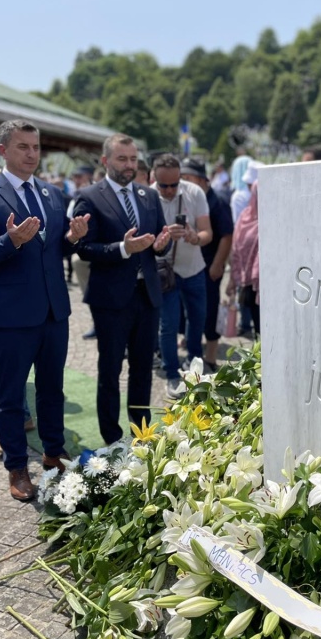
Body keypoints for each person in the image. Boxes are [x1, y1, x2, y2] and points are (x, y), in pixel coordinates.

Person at [0, 119, 90, 502]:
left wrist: (72, 238)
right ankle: (17, 467)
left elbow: (52, 250)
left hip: (54, 311)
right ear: (3, 150)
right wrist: (10, 240)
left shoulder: (51, 193)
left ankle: (54, 453)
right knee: (10, 396)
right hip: (12, 315)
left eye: (35, 147)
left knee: (52, 388)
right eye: (23, 147)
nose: (31, 154)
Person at [73, 133, 171, 445]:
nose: (129, 165)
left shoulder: (148, 195)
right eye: (122, 159)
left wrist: (158, 246)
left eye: (132, 159)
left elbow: (153, 241)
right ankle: (112, 439)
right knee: (110, 371)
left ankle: (141, 434)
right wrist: (123, 249)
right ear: (105, 161)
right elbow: (84, 249)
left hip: (147, 295)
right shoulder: (88, 196)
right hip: (111, 300)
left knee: (143, 370)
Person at [152, 154, 212, 398]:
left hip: (194, 268)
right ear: (153, 178)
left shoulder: (194, 192)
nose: (168, 190)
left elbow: (208, 232)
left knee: (198, 319)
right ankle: (172, 373)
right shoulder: (146, 195)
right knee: (168, 324)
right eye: (163, 185)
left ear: (180, 179)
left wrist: (193, 236)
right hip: (164, 271)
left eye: (174, 184)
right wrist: (162, 239)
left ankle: (195, 363)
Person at [180, 158, 233, 371]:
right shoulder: (187, 198)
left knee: (209, 310)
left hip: (209, 265)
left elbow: (227, 235)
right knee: (189, 309)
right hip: (188, 265)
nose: (185, 182)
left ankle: (211, 357)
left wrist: (218, 264)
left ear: (203, 180)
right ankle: (190, 344)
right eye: (182, 177)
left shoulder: (217, 201)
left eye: (189, 178)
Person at [228, 180, 261, 336]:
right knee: (259, 330)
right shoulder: (245, 217)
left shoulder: (281, 217)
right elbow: (236, 248)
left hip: (272, 284)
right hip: (250, 283)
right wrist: (233, 281)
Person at [67, 166, 96, 339]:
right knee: (77, 262)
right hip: (84, 245)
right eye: (74, 176)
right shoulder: (77, 195)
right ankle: (96, 319)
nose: (76, 179)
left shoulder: (96, 191)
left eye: (79, 176)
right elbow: (70, 216)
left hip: (104, 246)